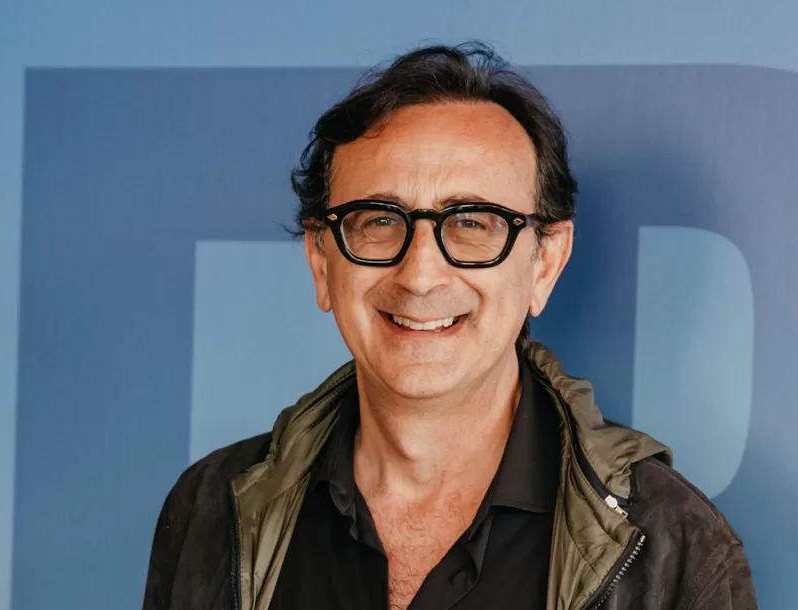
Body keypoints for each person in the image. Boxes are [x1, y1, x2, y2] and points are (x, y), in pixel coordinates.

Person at [143, 42, 756, 610]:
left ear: (546, 262)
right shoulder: (208, 509)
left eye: (472, 222)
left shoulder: (674, 548)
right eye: (378, 219)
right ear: (321, 261)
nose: (419, 275)